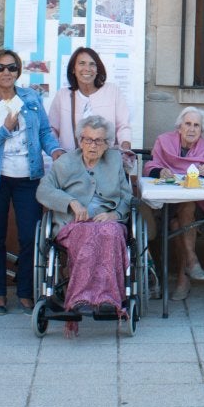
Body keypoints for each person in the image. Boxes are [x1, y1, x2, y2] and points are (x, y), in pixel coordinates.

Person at [0, 48, 62, 315]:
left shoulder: (31, 98)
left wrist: (54, 150)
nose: (6, 72)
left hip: (28, 177)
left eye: (11, 67)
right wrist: (2, 131)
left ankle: (24, 291)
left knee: (29, 236)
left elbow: (44, 131)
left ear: (18, 71)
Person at [35, 116, 134, 321]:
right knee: (86, 235)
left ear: (107, 144)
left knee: (110, 232)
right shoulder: (65, 163)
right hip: (73, 223)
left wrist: (114, 215)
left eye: (98, 141)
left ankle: (108, 299)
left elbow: (127, 196)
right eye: (87, 139)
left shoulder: (115, 161)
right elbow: (43, 190)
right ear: (80, 141)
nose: (92, 145)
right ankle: (81, 299)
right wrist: (70, 202)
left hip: (107, 220)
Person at [145, 107, 204, 301]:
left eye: (197, 125)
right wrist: (160, 172)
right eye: (188, 124)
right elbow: (150, 167)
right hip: (167, 205)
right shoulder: (164, 141)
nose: (192, 129)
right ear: (179, 126)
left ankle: (183, 277)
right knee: (178, 219)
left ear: (202, 130)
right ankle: (190, 263)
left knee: (182, 215)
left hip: (198, 207)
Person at [48, 46, 131, 152]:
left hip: (106, 161)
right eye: (82, 63)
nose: (87, 68)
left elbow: (123, 125)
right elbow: (51, 129)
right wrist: (56, 150)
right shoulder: (63, 95)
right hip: (72, 161)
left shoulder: (112, 91)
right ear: (73, 69)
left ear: (97, 70)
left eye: (92, 64)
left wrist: (125, 145)